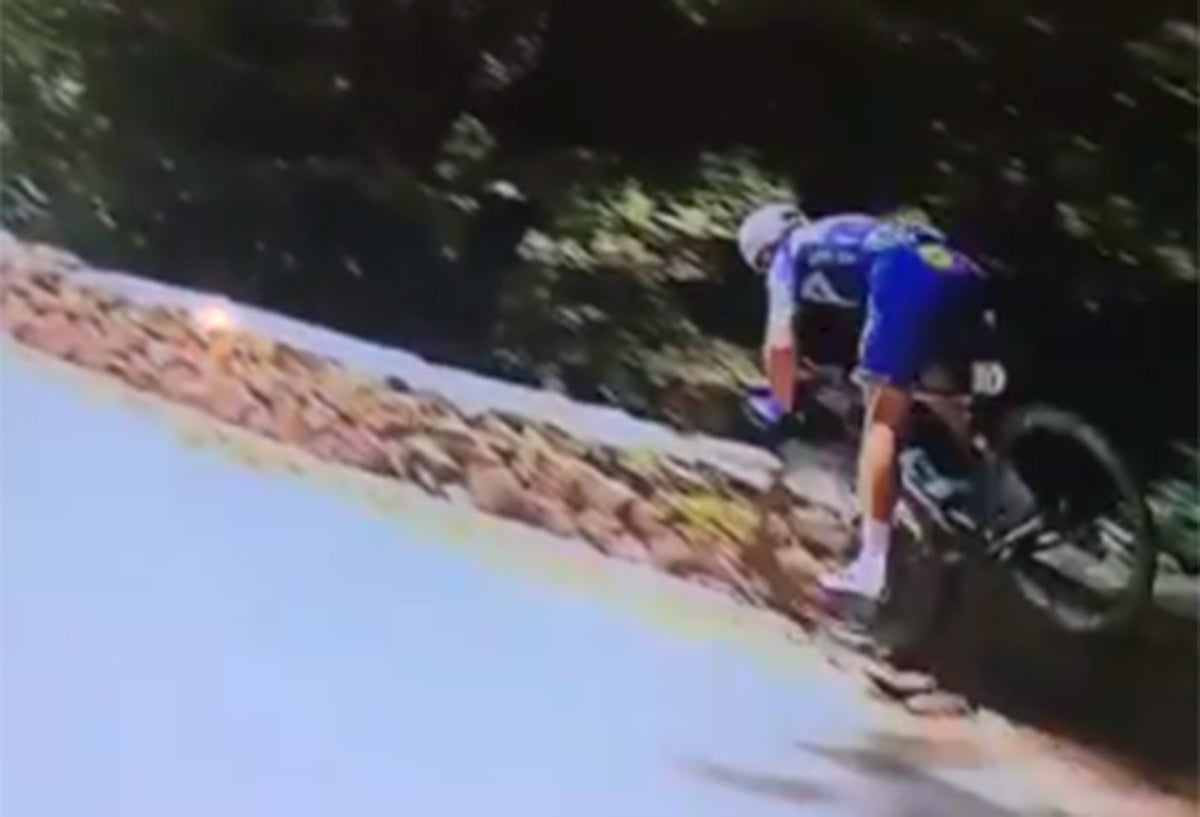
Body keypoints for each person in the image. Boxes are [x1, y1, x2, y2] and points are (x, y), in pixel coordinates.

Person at [737, 203, 985, 604]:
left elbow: (780, 344)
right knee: (938, 385)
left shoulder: (788, 255)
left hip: (902, 276)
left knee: (882, 419)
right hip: (957, 267)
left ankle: (871, 566)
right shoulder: (837, 231)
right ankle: (987, 469)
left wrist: (781, 402)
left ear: (764, 253)